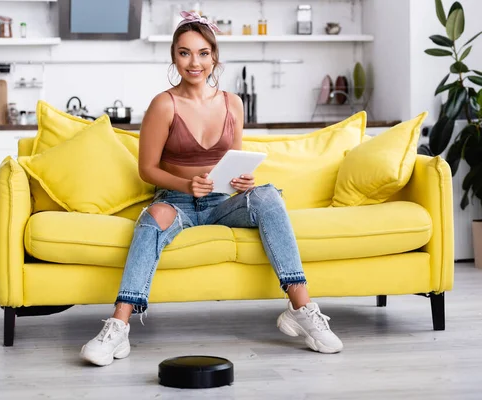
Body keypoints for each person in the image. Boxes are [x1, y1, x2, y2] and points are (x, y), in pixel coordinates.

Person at [80, 11, 343, 366]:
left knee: (267, 194)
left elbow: (234, 160)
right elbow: (147, 170)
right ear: (174, 56)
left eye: (203, 53)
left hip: (223, 203)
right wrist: (185, 184)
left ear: (214, 57)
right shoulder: (163, 104)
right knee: (152, 218)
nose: (195, 62)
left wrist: (242, 181)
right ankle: (118, 326)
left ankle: (301, 308)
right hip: (177, 202)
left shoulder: (233, 103)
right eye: (185, 52)